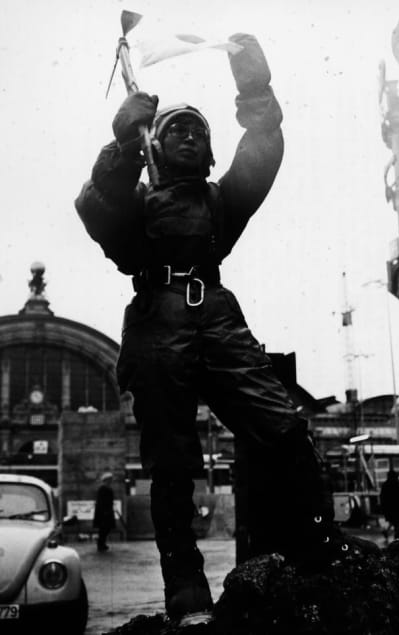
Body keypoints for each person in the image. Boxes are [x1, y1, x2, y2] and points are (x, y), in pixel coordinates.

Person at [75, 33, 375, 626]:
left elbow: (263, 145)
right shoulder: (136, 204)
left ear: (210, 158)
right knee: (172, 463)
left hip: (216, 313)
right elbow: (94, 208)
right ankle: (185, 587)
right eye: (175, 129)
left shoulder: (221, 202)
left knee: (283, 427)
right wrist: (119, 145)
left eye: (199, 132)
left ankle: (319, 541)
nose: (190, 135)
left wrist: (255, 85)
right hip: (156, 322)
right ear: (153, 149)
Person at [380, 469, 399, 540]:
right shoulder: (397, 484)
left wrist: (383, 507)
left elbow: (382, 497)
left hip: (389, 507)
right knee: (398, 521)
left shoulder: (385, 484)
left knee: (393, 521)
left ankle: (391, 533)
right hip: (397, 507)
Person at [93, 472, 116, 552]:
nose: (111, 481)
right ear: (106, 480)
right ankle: (101, 544)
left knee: (106, 528)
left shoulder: (107, 488)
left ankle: (102, 543)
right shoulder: (102, 489)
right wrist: (105, 511)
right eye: (110, 479)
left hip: (107, 511)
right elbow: (101, 502)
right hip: (104, 513)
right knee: (103, 529)